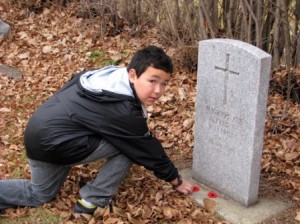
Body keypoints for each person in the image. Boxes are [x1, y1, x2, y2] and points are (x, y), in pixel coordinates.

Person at [0, 45, 194, 215]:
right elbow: (146, 149)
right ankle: (92, 200)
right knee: (129, 146)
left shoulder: (106, 77)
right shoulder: (124, 111)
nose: (159, 91)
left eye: (164, 83)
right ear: (133, 75)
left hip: (38, 133)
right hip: (54, 143)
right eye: (153, 81)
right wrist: (175, 180)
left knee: (38, 194)